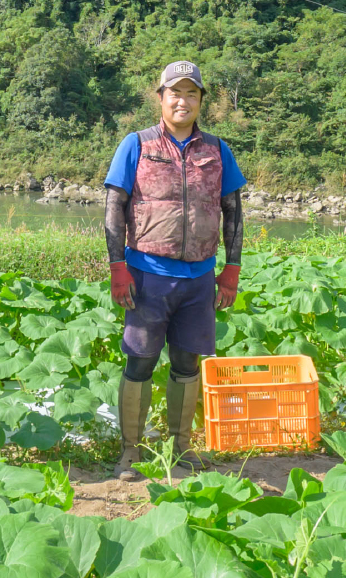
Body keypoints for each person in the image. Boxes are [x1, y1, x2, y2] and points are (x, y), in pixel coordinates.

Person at [102, 60, 246, 480]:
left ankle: (181, 448)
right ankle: (131, 451)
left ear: (201, 100)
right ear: (160, 98)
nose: (182, 101)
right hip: (146, 273)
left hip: (199, 278)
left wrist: (231, 268)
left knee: (187, 364)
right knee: (140, 361)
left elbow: (233, 210)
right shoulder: (137, 144)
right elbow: (114, 208)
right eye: (174, 93)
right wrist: (117, 266)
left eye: (192, 94)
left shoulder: (217, 150)